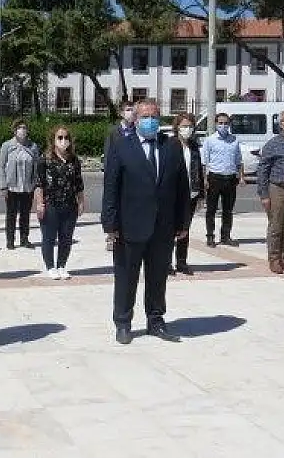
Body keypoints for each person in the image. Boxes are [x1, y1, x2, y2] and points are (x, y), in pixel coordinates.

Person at [102, 99, 190, 345]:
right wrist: (110, 225)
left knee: (158, 277)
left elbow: (182, 186)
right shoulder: (122, 146)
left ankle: (156, 320)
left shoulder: (171, 146)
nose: (150, 120)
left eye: (154, 116)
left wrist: (183, 222)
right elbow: (111, 186)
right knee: (126, 277)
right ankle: (123, 322)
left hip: (163, 228)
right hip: (130, 226)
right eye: (144, 116)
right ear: (135, 120)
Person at [34, 125, 85, 280]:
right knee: (49, 238)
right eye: (60, 138)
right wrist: (40, 204)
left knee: (66, 237)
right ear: (54, 140)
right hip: (51, 205)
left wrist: (81, 202)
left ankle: (62, 265)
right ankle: (50, 267)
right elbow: (39, 184)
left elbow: (78, 183)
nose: (64, 141)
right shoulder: (45, 159)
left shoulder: (74, 160)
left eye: (66, 138)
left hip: (69, 205)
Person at [257, 110, 284, 274]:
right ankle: (274, 259)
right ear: (281, 124)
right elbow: (263, 170)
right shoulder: (272, 144)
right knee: (276, 225)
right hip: (278, 188)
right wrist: (264, 194)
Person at [200, 112, 244, 247]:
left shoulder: (234, 140)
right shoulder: (210, 140)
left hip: (230, 178)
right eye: (220, 123)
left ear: (229, 124)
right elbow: (204, 162)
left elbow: (239, 160)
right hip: (214, 178)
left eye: (226, 123)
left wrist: (241, 176)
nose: (223, 126)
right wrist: (204, 180)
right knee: (211, 210)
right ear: (216, 124)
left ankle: (226, 236)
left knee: (228, 210)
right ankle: (210, 236)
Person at [0, 118, 38, 250]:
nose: (22, 130)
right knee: (11, 215)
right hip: (12, 187)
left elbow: (37, 166)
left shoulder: (33, 146)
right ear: (14, 130)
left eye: (24, 127)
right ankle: (10, 240)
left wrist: (36, 184)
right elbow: (0, 166)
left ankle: (24, 239)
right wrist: (3, 186)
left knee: (25, 214)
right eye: (19, 128)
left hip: (27, 187)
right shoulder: (7, 146)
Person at [170, 113, 204, 276]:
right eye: (184, 126)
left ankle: (181, 262)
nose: (187, 129)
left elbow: (199, 171)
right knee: (169, 230)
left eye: (190, 126)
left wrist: (201, 194)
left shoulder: (194, 146)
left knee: (185, 229)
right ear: (177, 127)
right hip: (173, 195)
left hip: (191, 194)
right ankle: (166, 263)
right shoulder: (170, 145)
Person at [103, 100, 136, 170]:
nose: (131, 113)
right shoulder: (113, 132)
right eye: (128, 110)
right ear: (121, 113)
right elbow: (108, 155)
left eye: (133, 110)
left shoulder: (138, 131)